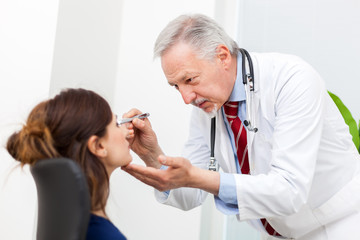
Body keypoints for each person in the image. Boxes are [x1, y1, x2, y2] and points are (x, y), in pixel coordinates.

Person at [122, 13, 360, 240]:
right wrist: (152, 155)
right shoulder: (207, 107)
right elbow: (189, 195)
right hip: (278, 231)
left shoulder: (292, 80)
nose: (186, 98)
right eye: (176, 86)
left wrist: (201, 178)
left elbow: (289, 190)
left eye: (190, 79)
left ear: (222, 56)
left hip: (337, 225)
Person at [6, 88, 130, 240]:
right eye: (117, 124)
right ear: (98, 146)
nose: (127, 132)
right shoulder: (104, 236)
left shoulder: (72, 228)